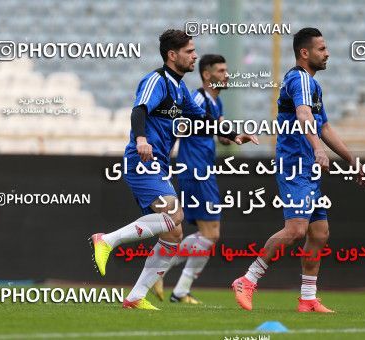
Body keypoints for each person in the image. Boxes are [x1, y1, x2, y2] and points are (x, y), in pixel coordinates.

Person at [89, 29, 257, 310]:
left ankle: (134, 298)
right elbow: (139, 110)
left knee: (174, 235)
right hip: (142, 161)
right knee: (175, 215)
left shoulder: (180, 89)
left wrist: (234, 134)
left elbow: (202, 120)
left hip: (159, 165)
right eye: (190, 52)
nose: (195, 56)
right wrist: (141, 138)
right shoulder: (157, 80)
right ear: (172, 55)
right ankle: (106, 240)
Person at [232, 27, 364, 313]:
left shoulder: (313, 85)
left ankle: (307, 297)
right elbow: (304, 115)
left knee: (319, 233)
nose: (327, 53)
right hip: (295, 164)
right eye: (321, 48)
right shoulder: (299, 79)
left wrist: (351, 159)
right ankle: (247, 279)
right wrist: (317, 148)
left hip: (308, 168)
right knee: (295, 230)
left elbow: (324, 126)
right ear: (305, 53)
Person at [151, 54, 232, 304]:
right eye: (220, 70)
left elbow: (220, 134)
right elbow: (178, 126)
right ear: (207, 75)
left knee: (210, 234)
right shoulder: (197, 98)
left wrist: (228, 134)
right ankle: (160, 270)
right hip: (194, 170)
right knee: (210, 233)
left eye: (226, 70)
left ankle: (178, 289)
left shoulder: (216, 103)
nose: (226, 74)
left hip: (205, 170)